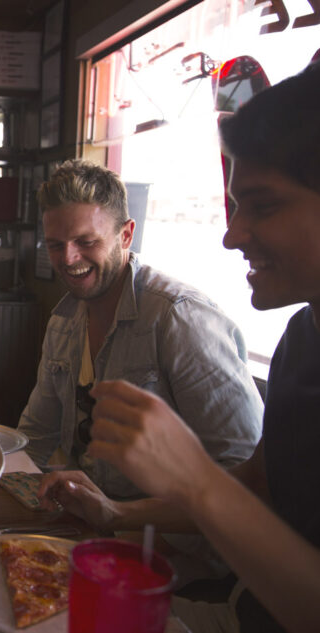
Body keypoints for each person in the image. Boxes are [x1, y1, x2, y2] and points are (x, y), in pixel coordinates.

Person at [39, 65, 320, 633]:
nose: (232, 234)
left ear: (125, 235)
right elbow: (258, 484)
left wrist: (191, 477)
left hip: (188, 579)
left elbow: (227, 479)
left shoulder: (181, 315)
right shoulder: (303, 338)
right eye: (234, 205)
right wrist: (113, 512)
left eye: (262, 205)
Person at [16, 159, 263, 500]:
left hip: (168, 541)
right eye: (56, 245)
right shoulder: (63, 321)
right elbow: (36, 435)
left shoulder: (181, 318)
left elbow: (241, 465)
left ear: (127, 234)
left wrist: (143, 531)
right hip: (86, 524)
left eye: (86, 241)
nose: (69, 258)